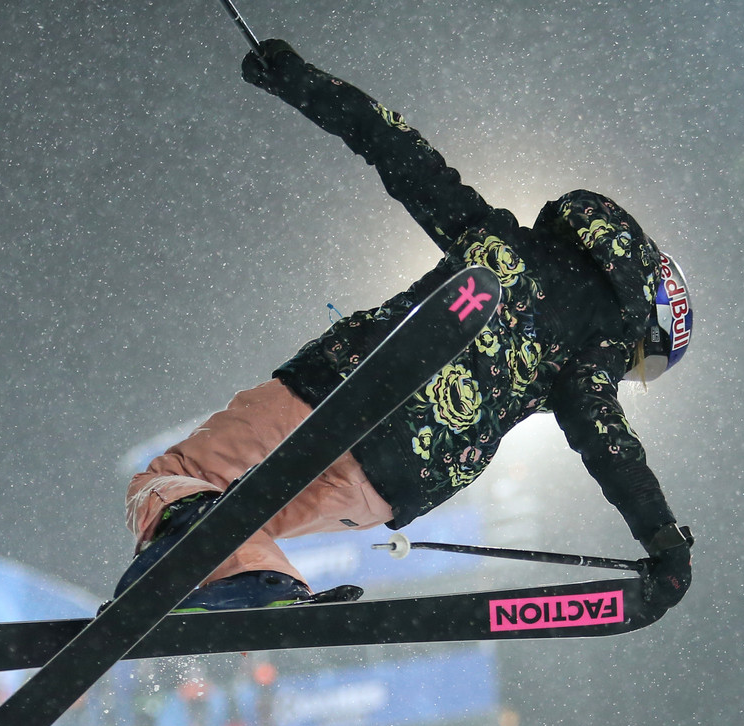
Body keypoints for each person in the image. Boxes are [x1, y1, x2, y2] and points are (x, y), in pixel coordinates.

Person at [117, 40, 694, 614]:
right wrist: (663, 541)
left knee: (176, 478)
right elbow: (611, 447)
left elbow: (398, 150)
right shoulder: (595, 353)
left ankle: (242, 577)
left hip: (338, 398)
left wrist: (299, 81)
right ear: (650, 325)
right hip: (392, 488)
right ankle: (249, 581)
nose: (625, 371)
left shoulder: (497, 239)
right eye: (639, 366)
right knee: (230, 521)